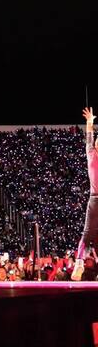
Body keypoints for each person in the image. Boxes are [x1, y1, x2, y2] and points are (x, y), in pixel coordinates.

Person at [73, 107, 98, 281]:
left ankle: (81, 263)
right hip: (95, 199)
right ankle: (80, 264)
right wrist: (90, 123)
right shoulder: (92, 155)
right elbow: (90, 139)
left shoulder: (92, 156)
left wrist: (90, 123)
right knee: (89, 234)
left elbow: (90, 139)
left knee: (88, 234)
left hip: (95, 200)